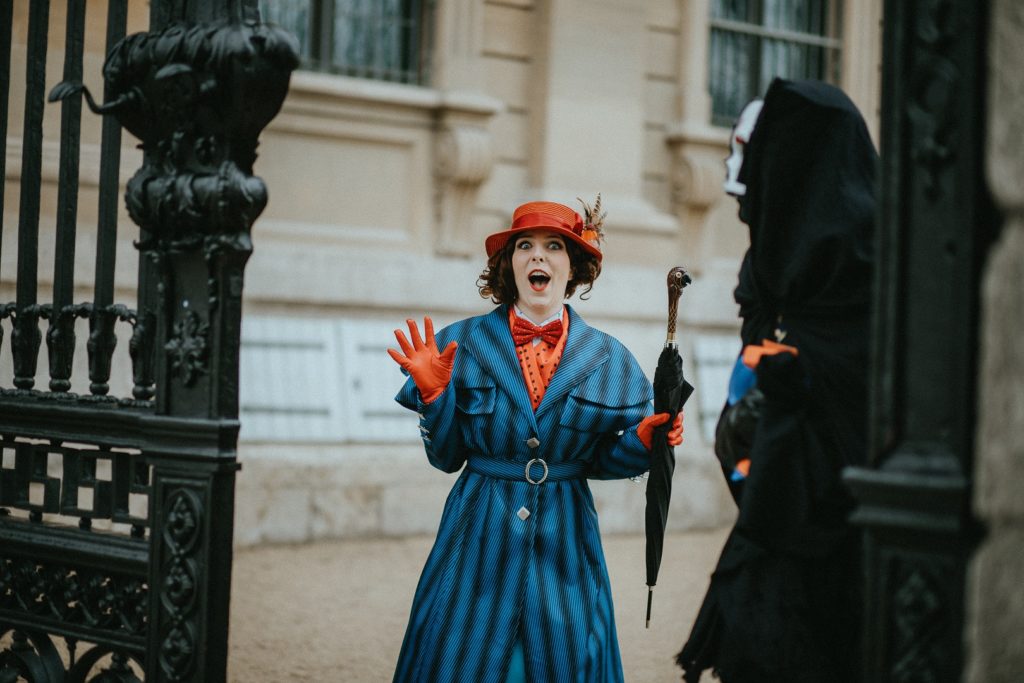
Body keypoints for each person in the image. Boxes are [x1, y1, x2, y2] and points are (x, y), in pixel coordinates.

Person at [387, 199, 683, 683]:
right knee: (464, 656)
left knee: (567, 658)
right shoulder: (462, 343)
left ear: (574, 267)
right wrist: (436, 397)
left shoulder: (609, 358)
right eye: (524, 246)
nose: (537, 257)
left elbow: (601, 457)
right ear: (510, 264)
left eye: (553, 247)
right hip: (478, 529)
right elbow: (445, 458)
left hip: (565, 534)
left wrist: (643, 442)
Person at [676, 78, 877, 682]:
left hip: (843, 529)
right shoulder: (772, 269)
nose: (734, 166)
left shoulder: (870, 277)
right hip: (778, 506)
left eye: (748, 149)